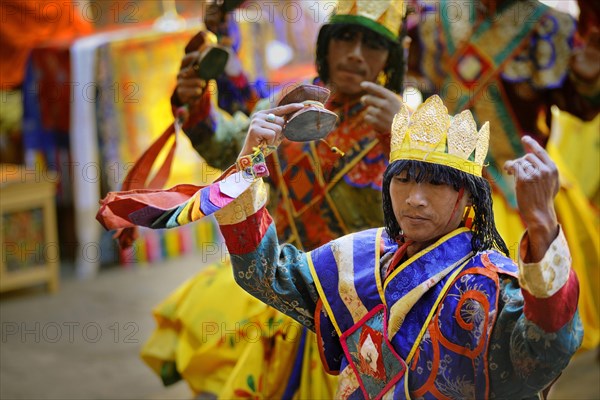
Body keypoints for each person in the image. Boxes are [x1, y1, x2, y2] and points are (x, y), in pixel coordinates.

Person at [99, 94, 583, 398]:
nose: (414, 198)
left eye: (435, 184)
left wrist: (542, 231)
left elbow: (545, 351)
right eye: (405, 179)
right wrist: (246, 169)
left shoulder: (494, 285)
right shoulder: (357, 258)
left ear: (467, 197)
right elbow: (264, 274)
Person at [137, 1, 408, 396]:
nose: (354, 53)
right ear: (326, 44)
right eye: (346, 38)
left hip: (362, 307)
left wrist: (405, 134)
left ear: (390, 58)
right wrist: (195, 101)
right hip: (281, 286)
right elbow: (224, 147)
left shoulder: (406, 124)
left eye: (372, 44)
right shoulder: (290, 106)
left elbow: (440, 214)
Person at [405, 0, 600, 351]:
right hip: (449, 188)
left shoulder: (548, 26)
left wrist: (588, 78)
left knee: (540, 326)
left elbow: (581, 106)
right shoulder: (432, 23)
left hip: (525, 190)